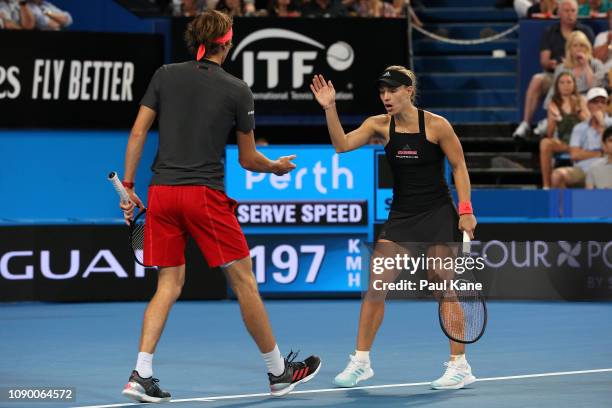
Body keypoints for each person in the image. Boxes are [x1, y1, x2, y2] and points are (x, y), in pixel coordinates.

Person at [119, 10, 321, 403]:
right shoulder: (237, 89)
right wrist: (276, 168)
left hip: (161, 192)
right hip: (204, 196)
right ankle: (279, 372)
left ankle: (141, 372)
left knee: (168, 284)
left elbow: (139, 131)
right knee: (244, 280)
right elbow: (248, 160)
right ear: (226, 43)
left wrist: (128, 187)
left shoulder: (164, 74)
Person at [310, 67, 478, 390]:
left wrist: (466, 210)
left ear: (409, 90)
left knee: (441, 283)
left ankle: (460, 365)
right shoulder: (379, 125)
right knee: (376, 282)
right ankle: (361, 362)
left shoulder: (437, 126)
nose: (386, 97)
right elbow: (342, 145)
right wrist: (330, 108)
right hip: (402, 215)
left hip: (438, 213)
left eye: (392, 91)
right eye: (382, 91)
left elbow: (459, 166)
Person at [513, 0, 594, 138]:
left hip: (582, 79)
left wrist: (582, 64)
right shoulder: (550, 31)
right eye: (567, 11)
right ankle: (527, 123)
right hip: (557, 73)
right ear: (559, 12)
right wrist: (557, 66)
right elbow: (544, 60)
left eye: (573, 11)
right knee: (541, 79)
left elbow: (592, 58)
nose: (570, 14)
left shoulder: (585, 31)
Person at [552, 87, 610, 188]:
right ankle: (564, 204)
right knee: (557, 175)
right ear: (588, 105)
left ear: (606, 105)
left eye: (603, 102)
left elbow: (608, 151)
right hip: (583, 169)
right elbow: (574, 155)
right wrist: (599, 153)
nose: (599, 105)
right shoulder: (579, 128)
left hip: (607, 169)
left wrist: (602, 125)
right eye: (595, 102)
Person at [540, 71, 588, 188]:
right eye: (562, 83)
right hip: (565, 143)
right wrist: (553, 118)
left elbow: (590, 124)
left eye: (569, 82)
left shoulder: (581, 99)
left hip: (581, 144)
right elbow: (550, 134)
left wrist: (578, 111)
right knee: (545, 143)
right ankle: (546, 186)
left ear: (574, 85)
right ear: (557, 86)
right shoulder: (554, 103)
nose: (566, 85)